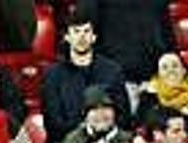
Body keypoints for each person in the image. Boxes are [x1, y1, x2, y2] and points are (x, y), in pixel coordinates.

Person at [41, 12, 130, 143]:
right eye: (76, 32)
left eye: (86, 31)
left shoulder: (112, 71)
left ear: (94, 37)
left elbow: (123, 116)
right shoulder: (52, 75)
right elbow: (53, 123)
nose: (81, 37)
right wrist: (85, 135)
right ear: (67, 37)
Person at [136, 51, 188, 126]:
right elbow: (141, 125)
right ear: (158, 73)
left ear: (184, 70)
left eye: (175, 66)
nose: (170, 70)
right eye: (164, 67)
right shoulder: (149, 96)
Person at [62, 86, 133, 143]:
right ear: (85, 115)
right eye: (94, 108)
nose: (100, 113)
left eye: (106, 107)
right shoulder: (72, 140)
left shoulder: (129, 140)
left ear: (115, 112)